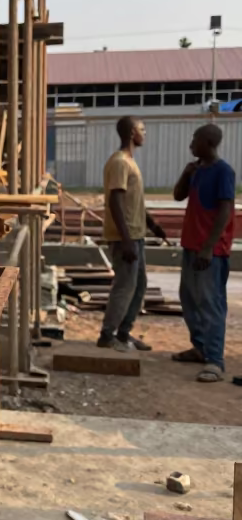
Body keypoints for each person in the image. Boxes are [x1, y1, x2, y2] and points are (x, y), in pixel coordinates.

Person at [171, 123, 235, 382]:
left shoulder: (223, 171)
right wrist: (186, 174)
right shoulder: (196, 171)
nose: (191, 145)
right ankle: (200, 347)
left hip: (211, 250)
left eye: (195, 140)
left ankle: (215, 360)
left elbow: (225, 210)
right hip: (191, 245)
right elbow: (178, 196)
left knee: (210, 303)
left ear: (208, 143)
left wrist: (208, 246)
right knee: (189, 299)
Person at [97, 117, 167, 352]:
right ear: (131, 133)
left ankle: (123, 333)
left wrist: (152, 225)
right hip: (124, 237)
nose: (144, 133)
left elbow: (132, 202)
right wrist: (126, 240)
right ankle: (107, 335)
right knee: (125, 286)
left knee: (139, 286)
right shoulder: (119, 163)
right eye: (141, 129)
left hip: (136, 235)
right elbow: (115, 201)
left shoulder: (130, 162)